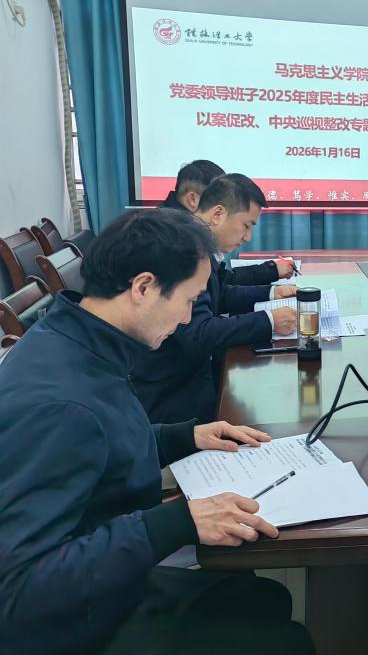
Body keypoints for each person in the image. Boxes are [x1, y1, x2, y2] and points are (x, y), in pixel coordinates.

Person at [0, 209, 313, 655]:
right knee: (286, 640)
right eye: (188, 301)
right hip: (81, 623)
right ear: (144, 287)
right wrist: (177, 522)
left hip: (110, 579)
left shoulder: (77, 338)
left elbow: (100, 441)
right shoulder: (60, 405)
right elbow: (21, 590)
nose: (187, 319)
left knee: (266, 596)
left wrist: (180, 437)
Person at [132, 174, 298, 423]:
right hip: (174, 392)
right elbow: (198, 333)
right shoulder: (184, 250)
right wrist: (269, 321)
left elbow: (221, 292)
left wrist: (271, 293)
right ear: (218, 214)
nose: (248, 237)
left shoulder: (196, 241)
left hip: (187, 375)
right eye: (246, 225)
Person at [159, 161, 295, 283]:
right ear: (193, 199)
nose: (248, 237)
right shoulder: (175, 240)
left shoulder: (192, 233)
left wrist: (271, 277)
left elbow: (221, 282)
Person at [159, 159, 224, 214]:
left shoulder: (160, 218)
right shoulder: (167, 223)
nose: (220, 213)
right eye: (219, 202)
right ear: (193, 199)